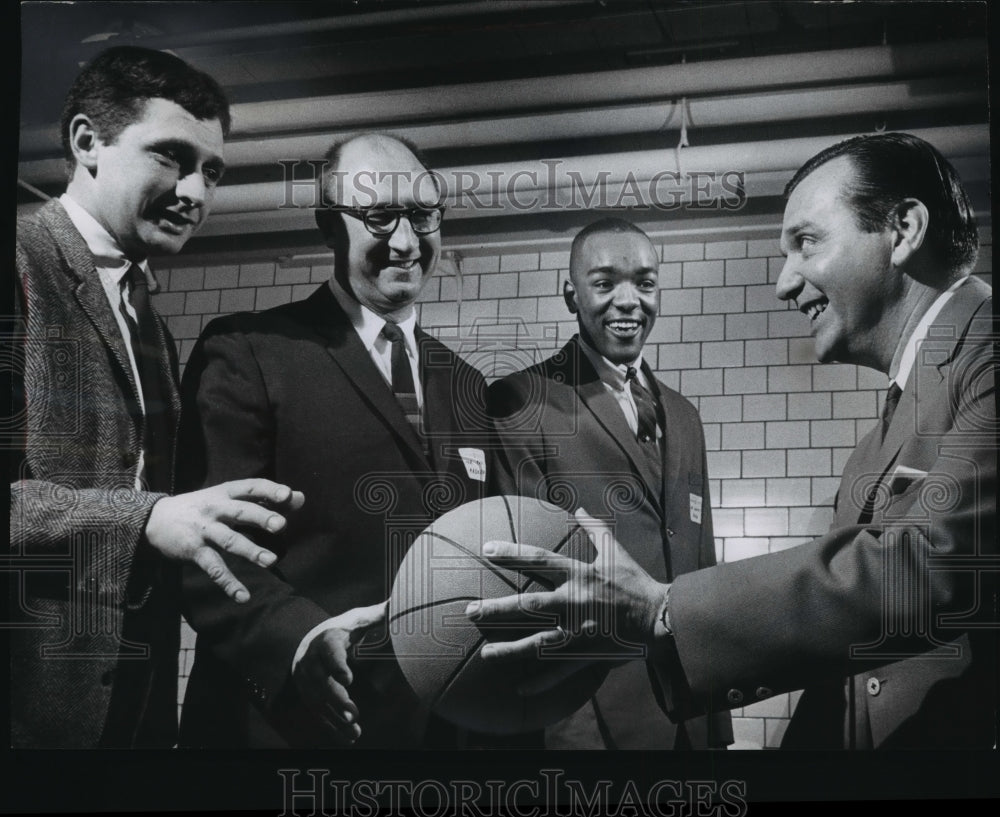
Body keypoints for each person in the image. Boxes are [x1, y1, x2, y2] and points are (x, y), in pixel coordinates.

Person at [468, 132, 997, 749]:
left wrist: (669, 618)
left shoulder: (981, 362)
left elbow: (924, 566)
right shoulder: (881, 435)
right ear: (572, 295)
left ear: (903, 230)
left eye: (805, 241)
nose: (783, 283)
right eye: (605, 282)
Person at [10, 46, 304, 749]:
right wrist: (146, 521)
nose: (197, 192)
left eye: (212, 170)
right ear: (88, 143)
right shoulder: (20, 260)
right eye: (170, 156)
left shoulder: (148, 319)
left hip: (130, 716)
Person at [176, 133, 498, 748]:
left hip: (429, 732)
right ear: (330, 227)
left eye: (423, 215)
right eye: (379, 217)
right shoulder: (249, 351)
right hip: (282, 727)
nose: (406, 241)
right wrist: (298, 641)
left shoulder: (466, 384)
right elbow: (207, 552)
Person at [487, 218, 731, 749]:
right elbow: (523, 579)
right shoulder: (520, 402)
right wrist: (565, 731)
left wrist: (716, 715)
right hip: (587, 719)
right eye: (604, 284)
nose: (628, 301)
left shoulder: (685, 415)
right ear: (571, 294)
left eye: (644, 283)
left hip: (689, 707)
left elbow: (701, 562)